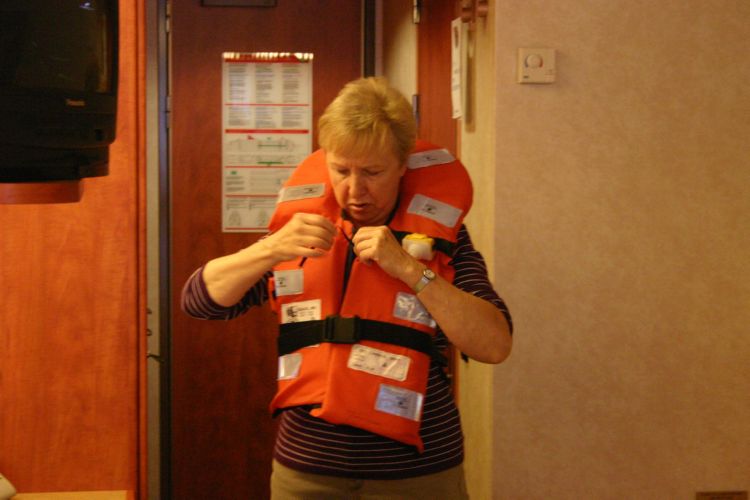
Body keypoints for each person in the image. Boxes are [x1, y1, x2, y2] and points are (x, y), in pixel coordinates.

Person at [182, 77, 512, 499]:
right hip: (308, 473)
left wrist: (410, 270)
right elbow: (200, 301)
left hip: (418, 474)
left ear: (402, 165)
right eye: (341, 170)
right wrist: (271, 249)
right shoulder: (298, 232)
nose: (355, 190)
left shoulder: (440, 240)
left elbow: (494, 344)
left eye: (372, 172)